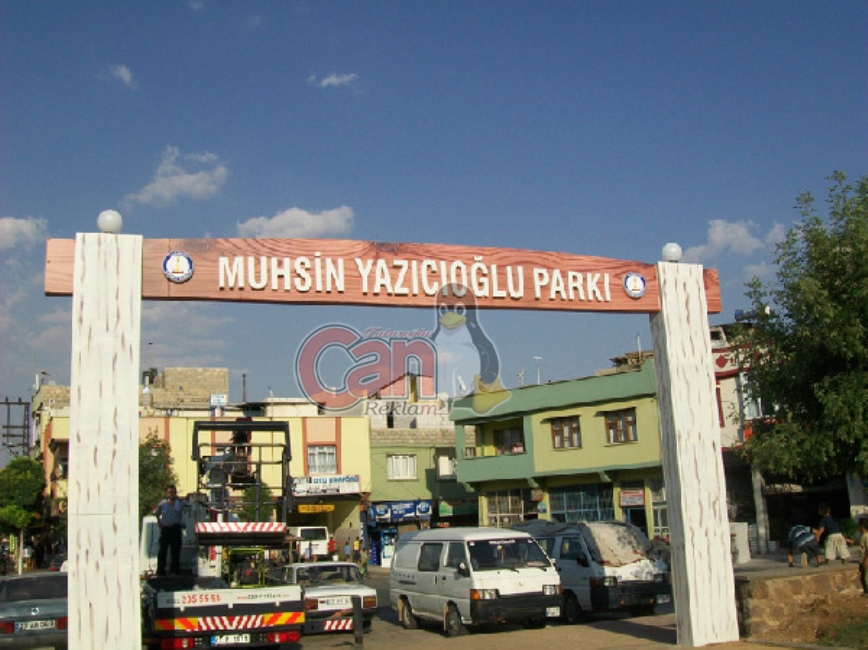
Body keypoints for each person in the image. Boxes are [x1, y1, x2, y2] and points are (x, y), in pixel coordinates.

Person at [154, 485, 184, 576]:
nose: (171, 494)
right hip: (166, 529)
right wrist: (159, 523)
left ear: (175, 493)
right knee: (162, 551)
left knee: (175, 551)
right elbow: (157, 513)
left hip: (175, 528)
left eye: (173, 492)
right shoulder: (163, 504)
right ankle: (161, 571)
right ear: (167, 493)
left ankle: (174, 571)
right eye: (169, 492)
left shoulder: (180, 503)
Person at [858, 517, 868, 596]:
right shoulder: (863, 536)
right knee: (863, 576)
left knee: (866, 577)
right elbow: (859, 543)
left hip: (865, 559)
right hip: (862, 559)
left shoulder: (866, 536)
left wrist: (866, 560)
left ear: (862, 526)